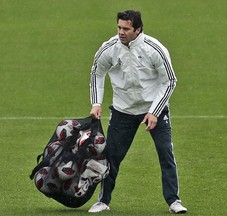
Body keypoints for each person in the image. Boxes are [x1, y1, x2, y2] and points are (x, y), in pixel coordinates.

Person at [88, 10, 187, 214]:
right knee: (112, 157)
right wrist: (96, 103)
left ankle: (173, 201)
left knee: (165, 154)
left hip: (154, 110)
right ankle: (103, 201)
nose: (121, 32)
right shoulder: (109, 49)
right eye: (119, 27)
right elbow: (96, 72)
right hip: (122, 111)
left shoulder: (154, 49)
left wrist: (154, 111)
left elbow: (169, 81)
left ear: (138, 29)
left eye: (126, 28)